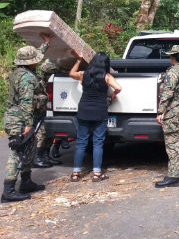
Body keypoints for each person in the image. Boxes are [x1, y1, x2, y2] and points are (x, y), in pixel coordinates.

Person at [2, 33, 51, 203]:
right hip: (19, 118)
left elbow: (33, 56)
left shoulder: (20, 71)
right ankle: (8, 190)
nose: (38, 61)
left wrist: (46, 44)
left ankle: (26, 182)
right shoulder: (27, 79)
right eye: (35, 59)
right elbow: (26, 103)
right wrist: (28, 125)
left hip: (20, 116)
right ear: (30, 62)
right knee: (17, 151)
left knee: (29, 148)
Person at [69, 52, 121, 182]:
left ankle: (75, 173)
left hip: (83, 111)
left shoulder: (83, 74)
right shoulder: (107, 76)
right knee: (98, 143)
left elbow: (71, 74)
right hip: (99, 112)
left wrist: (78, 60)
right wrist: (114, 93)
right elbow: (119, 87)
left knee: (81, 143)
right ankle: (97, 174)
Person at [155, 45, 179, 188]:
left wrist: (160, 112)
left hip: (175, 108)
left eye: (171, 55)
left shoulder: (173, 72)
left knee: (172, 143)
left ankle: (172, 176)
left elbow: (168, 92)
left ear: (173, 57)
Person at [33, 59, 61, 168]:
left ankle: (46, 155)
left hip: (48, 106)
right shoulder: (39, 82)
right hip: (40, 108)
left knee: (49, 132)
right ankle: (37, 157)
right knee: (42, 132)